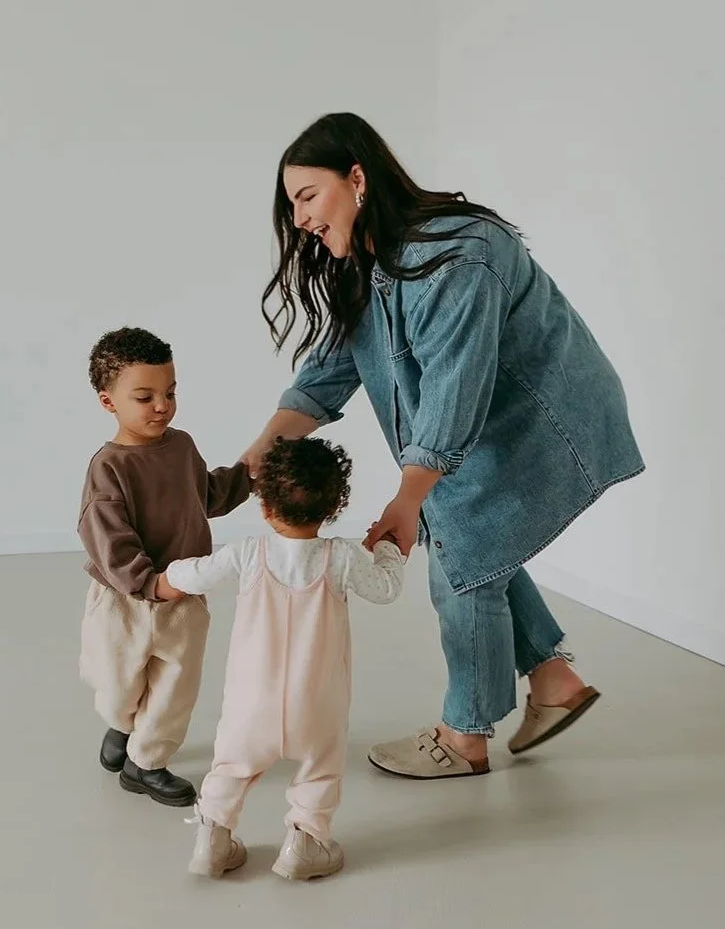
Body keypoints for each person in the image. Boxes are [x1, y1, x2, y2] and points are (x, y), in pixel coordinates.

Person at [240, 112, 645, 779]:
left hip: (543, 417)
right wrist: (256, 454)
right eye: (293, 206)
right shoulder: (367, 267)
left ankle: (466, 734)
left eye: (308, 196)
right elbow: (327, 373)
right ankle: (553, 677)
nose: (302, 218)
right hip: (486, 423)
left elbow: (453, 393)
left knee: (457, 542)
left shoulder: (458, 255)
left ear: (358, 177)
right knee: (473, 538)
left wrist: (408, 501)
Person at [155, 437, 405, 880]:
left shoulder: (248, 553)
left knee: (230, 768)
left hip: (251, 707)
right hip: (318, 705)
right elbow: (386, 588)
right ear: (332, 509)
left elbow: (192, 575)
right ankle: (306, 845)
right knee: (320, 772)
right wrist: (386, 548)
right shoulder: (341, 557)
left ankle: (213, 841)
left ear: (265, 507)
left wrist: (164, 578)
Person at [77, 326, 253, 806]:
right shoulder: (109, 467)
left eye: (170, 393)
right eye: (144, 396)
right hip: (124, 601)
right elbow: (107, 537)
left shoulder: (181, 447)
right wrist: (147, 582)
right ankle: (121, 724)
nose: (162, 405)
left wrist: (250, 475)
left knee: (175, 688)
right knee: (117, 685)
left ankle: (146, 763)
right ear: (108, 402)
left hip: (183, 595)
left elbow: (208, 497)